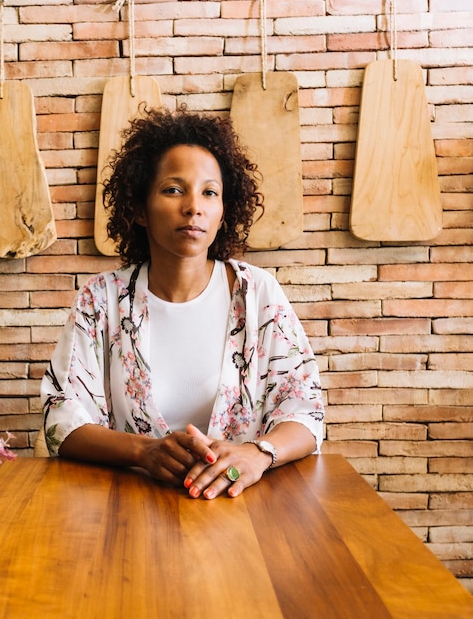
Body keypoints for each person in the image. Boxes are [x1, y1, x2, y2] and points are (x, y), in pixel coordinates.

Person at [41, 106, 324, 500]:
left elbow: (306, 410)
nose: (194, 206)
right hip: (129, 510)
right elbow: (61, 418)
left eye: (210, 192)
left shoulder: (258, 293)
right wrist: (145, 452)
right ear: (139, 208)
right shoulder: (101, 300)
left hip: (249, 517)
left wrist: (257, 454)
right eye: (174, 189)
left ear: (223, 211)